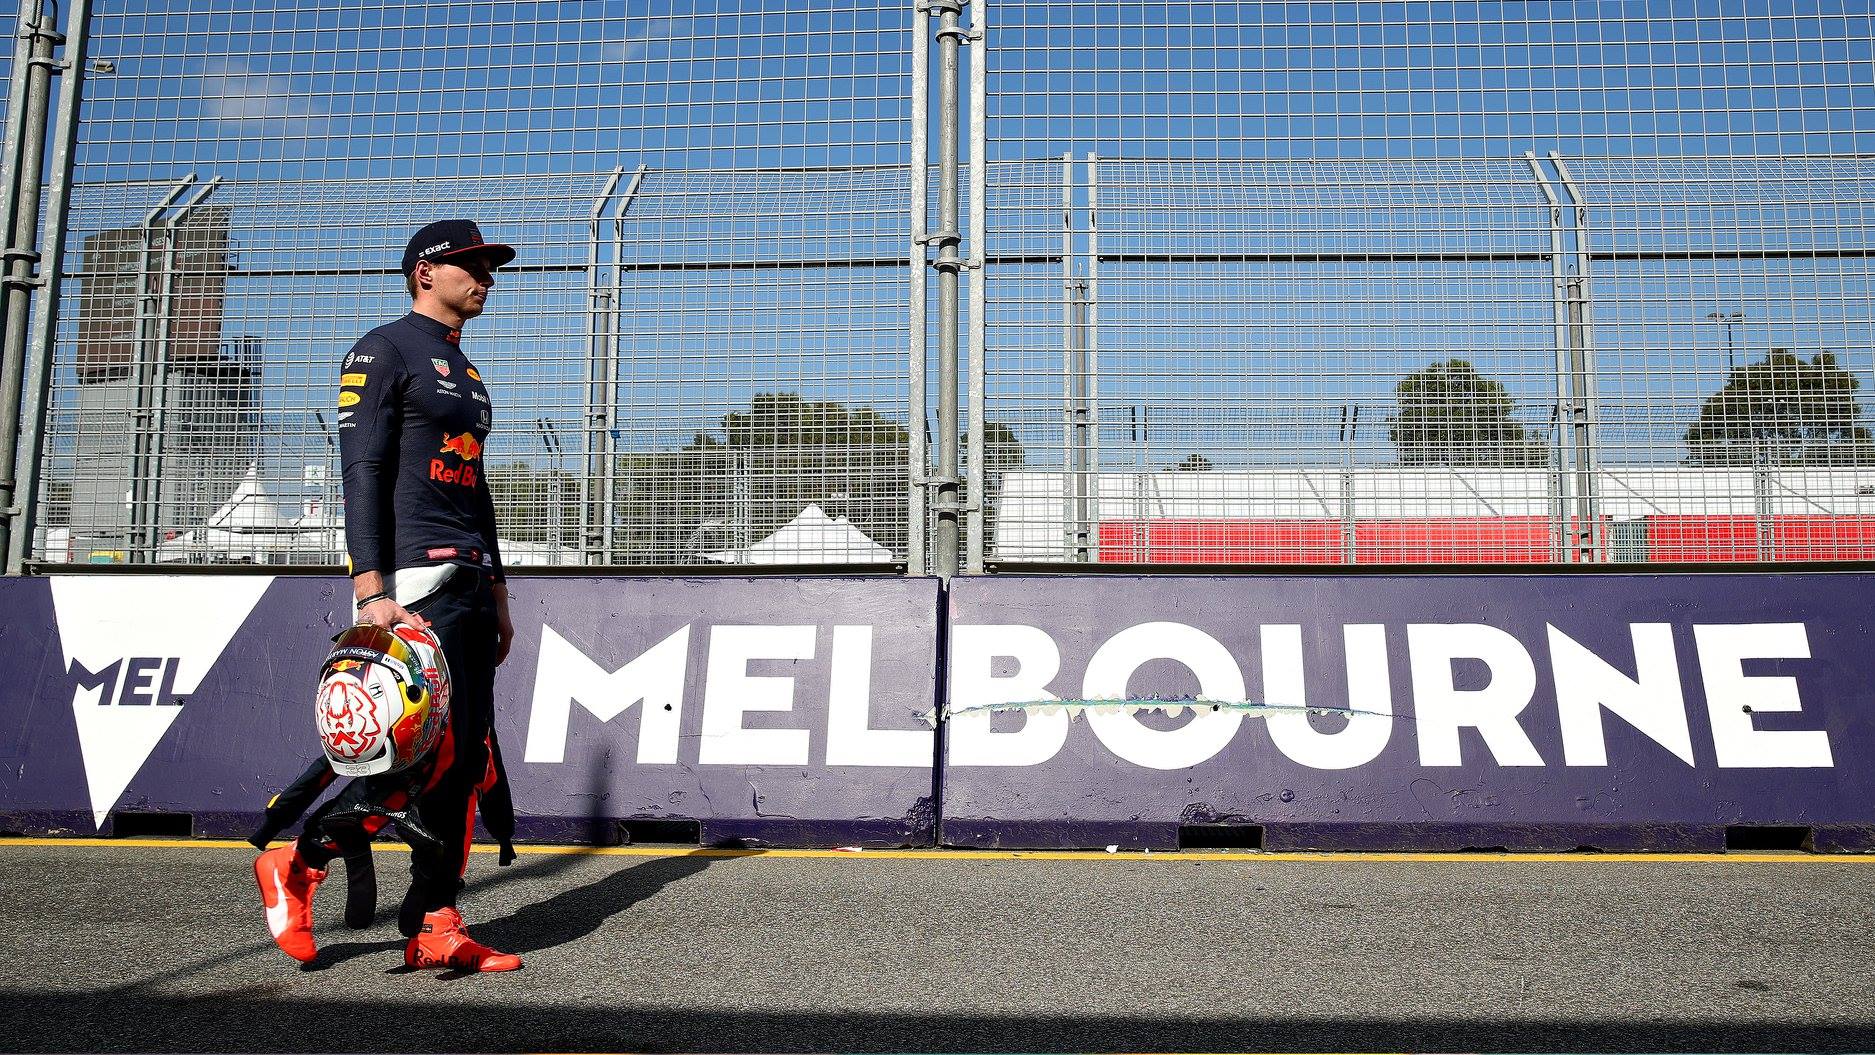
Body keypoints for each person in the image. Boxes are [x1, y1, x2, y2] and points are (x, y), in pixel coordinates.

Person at [252, 219, 522, 972]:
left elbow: (477, 490)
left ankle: (436, 918)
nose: (486, 278)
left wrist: (499, 589)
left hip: (467, 580)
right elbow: (361, 470)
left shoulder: (466, 372)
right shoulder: (383, 349)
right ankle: (298, 864)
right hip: (408, 584)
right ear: (423, 273)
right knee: (412, 760)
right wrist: (369, 589)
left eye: (488, 267)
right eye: (471, 266)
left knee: (465, 758)